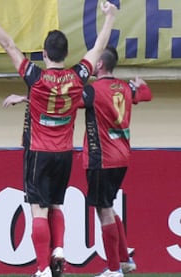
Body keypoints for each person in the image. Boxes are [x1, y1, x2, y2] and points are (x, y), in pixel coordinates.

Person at [0, 1, 117, 277]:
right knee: (56, 205)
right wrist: (110, 17)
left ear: (44, 53)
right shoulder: (78, 76)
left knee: (37, 210)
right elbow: (98, 48)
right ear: (66, 53)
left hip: (39, 152)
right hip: (65, 152)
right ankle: (60, 251)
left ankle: (42, 268)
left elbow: (9, 46)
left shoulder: (36, 78)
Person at [80, 46, 152, 277]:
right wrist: (140, 84)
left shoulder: (91, 91)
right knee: (108, 205)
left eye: (93, 60)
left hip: (102, 158)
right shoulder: (124, 87)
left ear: (100, 64)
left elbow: (67, 103)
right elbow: (146, 95)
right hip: (122, 156)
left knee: (103, 211)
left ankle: (113, 270)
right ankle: (124, 261)